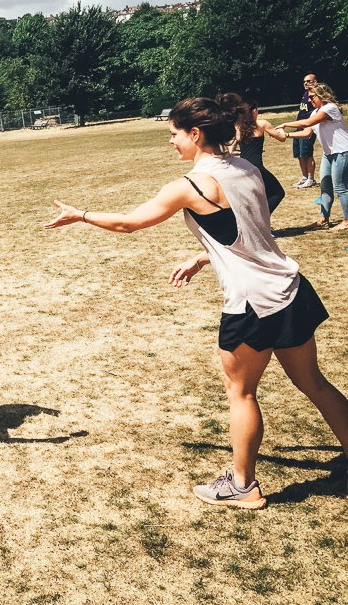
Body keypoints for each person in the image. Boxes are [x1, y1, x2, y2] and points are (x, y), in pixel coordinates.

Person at [45, 95, 348, 508]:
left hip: (253, 301)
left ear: (195, 133)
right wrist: (205, 255)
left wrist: (80, 214)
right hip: (290, 287)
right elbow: (249, 227)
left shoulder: (190, 186)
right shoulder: (245, 167)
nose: (171, 142)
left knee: (240, 391)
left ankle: (242, 486)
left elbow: (129, 223)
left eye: (174, 134)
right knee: (312, 380)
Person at [280, 83, 348, 231]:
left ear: (322, 95)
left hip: (342, 152)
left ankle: (346, 221)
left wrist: (285, 124)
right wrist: (286, 135)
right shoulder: (315, 112)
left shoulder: (329, 108)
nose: (310, 100)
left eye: (312, 97)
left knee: (340, 188)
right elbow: (306, 132)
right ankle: (324, 219)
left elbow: (307, 123)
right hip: (328, 154)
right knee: (325, 187)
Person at [234, 95, 286, 214]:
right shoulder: (262, 124)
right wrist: (282, 130)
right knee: (278, 193)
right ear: (254, 111)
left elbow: (233, 146)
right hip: (257, 168)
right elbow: (282, 138)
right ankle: (262, 220)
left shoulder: (238, 126)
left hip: (243, 168)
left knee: (254, 197)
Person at [292, 73, 318, 188]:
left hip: (308, 129)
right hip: (299, 129)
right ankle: (304, 177)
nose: (305, 83)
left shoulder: (317, 95)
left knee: (307, 154)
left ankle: (311, 178)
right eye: (304, 81)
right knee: (299, 154)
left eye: (308, 81)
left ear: (315, 82)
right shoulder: (305, 94)